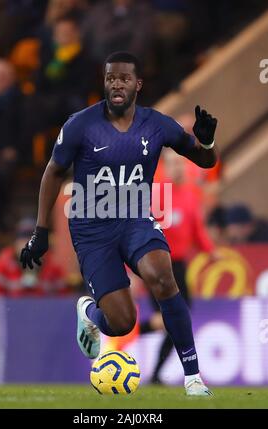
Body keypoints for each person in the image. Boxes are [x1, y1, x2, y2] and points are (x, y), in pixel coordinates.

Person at [20, 51, 218, 395]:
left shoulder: (156, 124)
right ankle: (91, 315)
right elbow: (53, 172)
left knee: (162, 275)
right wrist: (41, 231)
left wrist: (207, 141)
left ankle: (193, 377)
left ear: (137, 85)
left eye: (124, 78)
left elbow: (203, 160)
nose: (117, 84)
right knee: (122, 321)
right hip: (92, 230)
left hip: (135, 220)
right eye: (111, 78)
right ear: (105, 82)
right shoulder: (81, 124)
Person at [141, 149, 217, 384]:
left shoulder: (191, 194)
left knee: (177, 320)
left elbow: (196, 229)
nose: (178, 168)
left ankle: (155, 374)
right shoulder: (157, 194)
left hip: (180, 266)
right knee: (169, 320)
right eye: (173, 163)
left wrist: (210, 251)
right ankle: (122, 329)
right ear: (165, 166)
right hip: (157, 264)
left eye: (181, 163)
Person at [0, 218, 68, 297]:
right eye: (23, 239)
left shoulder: (52, 265)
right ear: (15, 242)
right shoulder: (2, 263)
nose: (28, 244)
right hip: (12, 308)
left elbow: (63, 298)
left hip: (44, 308)